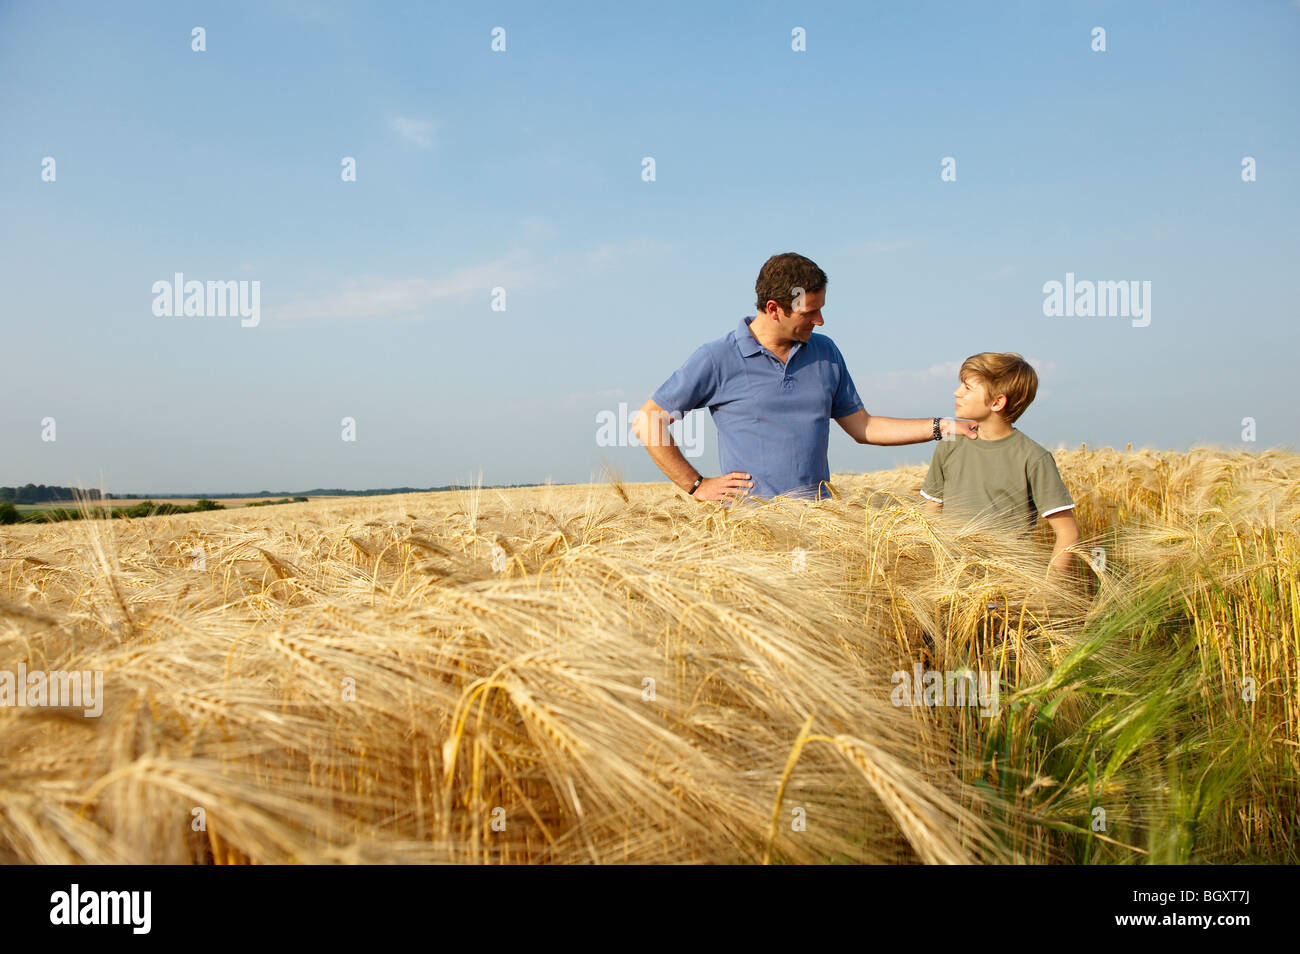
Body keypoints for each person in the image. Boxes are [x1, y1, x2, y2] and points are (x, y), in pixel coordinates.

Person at [633, 252, 977, 502]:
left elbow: (864, 427)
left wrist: (942, 427)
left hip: (821, 527)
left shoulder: (825, 352)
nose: (820, 320)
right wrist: (697, 485)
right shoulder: (717, 357)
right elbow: (648, 421)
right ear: (773, 309)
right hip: (754, 535)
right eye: (810, 312)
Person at [920, 352, 1080, 577]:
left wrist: (1046, 591)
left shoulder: (1034, 458)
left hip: (1010, 589)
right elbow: (930, 516)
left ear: (997, 402)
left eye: (967, 387)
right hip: (952, 586)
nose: (957, 392)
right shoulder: (950, 444)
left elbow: (1067, 533)